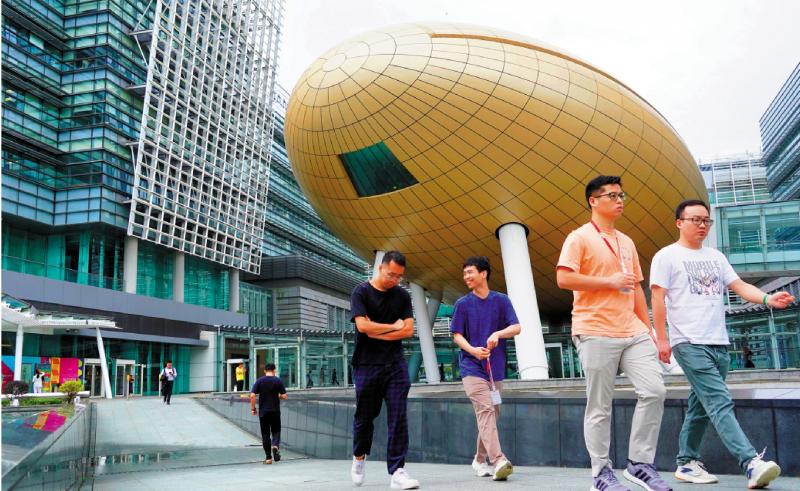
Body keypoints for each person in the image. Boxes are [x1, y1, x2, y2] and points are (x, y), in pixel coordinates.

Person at [649, 199, 794, 489]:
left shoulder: (716, 257)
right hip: (688, 342)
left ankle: (687, 462)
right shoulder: (667, 256)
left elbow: (739, 286)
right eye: (695, 219)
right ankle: (750, 462)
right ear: (679, 223)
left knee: (700, 406)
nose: (702, 225)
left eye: (706, 220)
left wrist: (767, 298)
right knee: (719, 401)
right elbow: (658, 298)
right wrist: (662, 339)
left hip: (718, 342)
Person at [556, 175, 671, 491]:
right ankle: (601, 473)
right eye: (612, 196)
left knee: (654, 391)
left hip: (632, 330)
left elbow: (635, 288)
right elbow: (564, 279)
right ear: (593, 201)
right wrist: (608, 282)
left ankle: (640, 464)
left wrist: (648, 329)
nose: (619, 201)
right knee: (600, 406)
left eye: (622, 196)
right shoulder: (579, 238)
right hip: (594, 329)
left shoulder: (627, 241)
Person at [349, 251, 419, 489]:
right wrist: (393, 326)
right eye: (391, 274)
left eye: (399, 276)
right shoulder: (361, 292)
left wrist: (378, 330)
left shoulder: (402, 296)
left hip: (395, 365)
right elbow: (363, 327)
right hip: (366, 364)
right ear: (380, 267)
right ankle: (359, 456)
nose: (394, 280)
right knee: (364, 417)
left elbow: (408, 330)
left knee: (398, 417)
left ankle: (397, 470)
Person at [451, 256, 519, 481]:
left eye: (470, 272)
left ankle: (479, 460)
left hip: (495, 369)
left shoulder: (501, 300)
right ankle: (498, 460)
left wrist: (498, 333)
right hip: (471, 367)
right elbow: (456, 335)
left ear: (484, 273)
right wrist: (473, 350)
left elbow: (516, 327)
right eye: (464, 273)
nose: (466, 277)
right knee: (486, 411)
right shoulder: (462, 304)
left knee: (490, 414)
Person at [250, 363, 288, 464]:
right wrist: (277, 396)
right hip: (275, 411)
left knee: (265, 434)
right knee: (276, 431)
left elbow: (252, 396)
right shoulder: (278, 380)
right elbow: (284, 396)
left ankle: (268, 458)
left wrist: (253, 409)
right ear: (274, 370)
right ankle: (275, 446)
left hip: (263, 412)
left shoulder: (259, 381)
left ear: (265, 371)